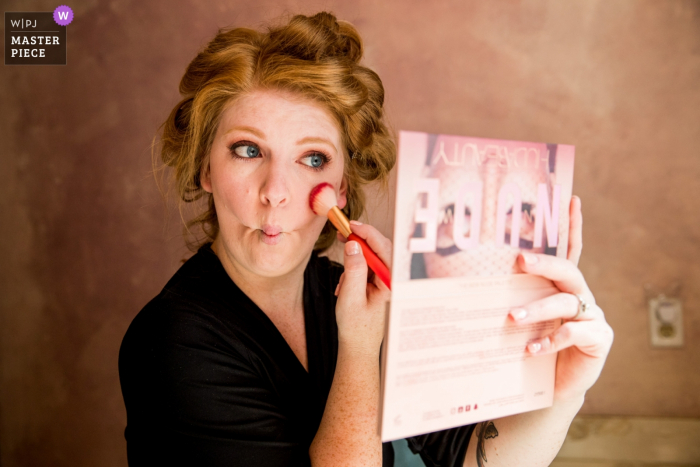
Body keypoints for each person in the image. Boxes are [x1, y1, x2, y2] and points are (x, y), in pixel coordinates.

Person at [118, 12, 614, 467]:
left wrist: (567, 389)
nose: (275, 193)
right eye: (248, 150)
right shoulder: (171, 340)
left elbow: (467, 457)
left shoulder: (349, 294)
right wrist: (359, 349)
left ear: (342, 187)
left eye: (313, 159)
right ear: (205, 167)